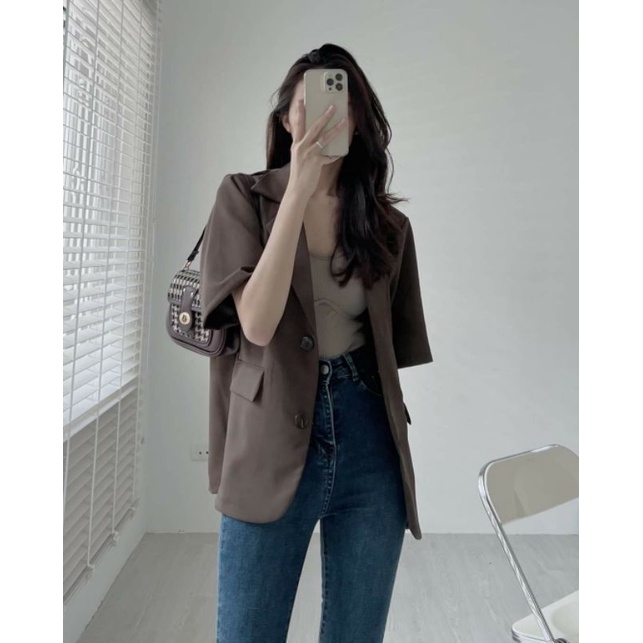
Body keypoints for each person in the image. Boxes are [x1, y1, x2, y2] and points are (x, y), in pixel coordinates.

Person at [201, 43, 434, 643]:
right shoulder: (242, 197)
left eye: (342, 102)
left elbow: (393, 348)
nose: (328, 114)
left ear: (358, 120)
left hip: (368, 440)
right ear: (286, 119)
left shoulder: (386, 225)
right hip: (269, 433)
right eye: (310, 103)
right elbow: (256, 324)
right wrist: (299, 190)